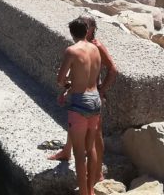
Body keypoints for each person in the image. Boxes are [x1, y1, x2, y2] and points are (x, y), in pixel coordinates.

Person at [50, 15, 117, 174]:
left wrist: (101, 91)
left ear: (92, 29)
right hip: (81, 93)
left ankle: (98, 171)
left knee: (96, 136)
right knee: (74, 124)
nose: (83, 28)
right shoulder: (83, 45)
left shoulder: (96, 45)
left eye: (86, 25)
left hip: (92, 96)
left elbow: (113, 70)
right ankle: (67, 151)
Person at [56, 16, 103, 195]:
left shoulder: (72, 51)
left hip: (80, 102)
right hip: (95, 100)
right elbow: (92, 75)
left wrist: (67, 84)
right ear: (86, 31)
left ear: (72, 33)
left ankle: (84, 194)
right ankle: (91, 190)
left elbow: (60, 79)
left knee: (79, 154)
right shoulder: (95, 49)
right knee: (90, 148)